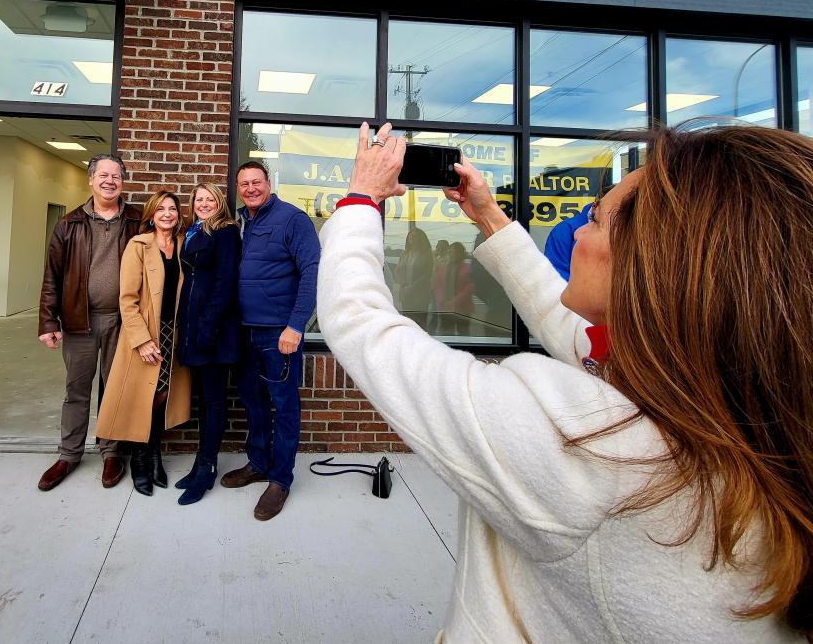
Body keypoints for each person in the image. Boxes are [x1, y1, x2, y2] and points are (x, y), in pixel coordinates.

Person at [316, 121, 811, 641]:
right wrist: (487, 215)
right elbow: (569, 327)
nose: (576, 230)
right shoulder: (737, 415)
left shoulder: (586, 445)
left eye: (595, 219)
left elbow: (363, 325)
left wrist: (361, 198)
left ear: (659, 266)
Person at [219, 160, 320, 521]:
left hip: (278, 334)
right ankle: (259, 463)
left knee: (284, 405)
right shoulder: (241, 222)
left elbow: (312, 272)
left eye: (256, 182)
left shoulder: (292, 219)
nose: (250, 188)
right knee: (253, 403)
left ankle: (280, 479)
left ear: (269, 183)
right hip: (244, 332)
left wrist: (296, 326)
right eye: (243, 183)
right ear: (237, 187)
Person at [36, 154, 141, 492]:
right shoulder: (69, 224)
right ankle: (69, 453)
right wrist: (47, 321)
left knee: (114, 389)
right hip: (80, 321)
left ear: (123, 182)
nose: (110, 181)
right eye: (103, 175)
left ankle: (111, 451)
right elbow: (52, 276)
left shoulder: (137, 220)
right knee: (76, 390)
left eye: (116, 176)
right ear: (91, 180)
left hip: (122, 322)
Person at [95, 190, 191, 497]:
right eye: (160, 209)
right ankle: (140, 459)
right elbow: (127, 299)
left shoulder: (182, 245)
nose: (167, 213)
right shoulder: (138, 246)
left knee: (162, 394)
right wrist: (142, 340)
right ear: (151, 214)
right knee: (143, 398)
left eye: (172, 209)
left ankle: (154, 454)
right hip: (146, 334)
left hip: (172, 333)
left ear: (178, 214)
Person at [173, 183, 241, 505]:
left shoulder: (226, 232)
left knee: (214, 401)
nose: (203, 203)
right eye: (198, 199)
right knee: (203, 400)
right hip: (193, 328)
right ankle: (202, 462)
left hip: (211, 331)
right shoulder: (193, 231)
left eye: (209, 199)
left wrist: (208, 329)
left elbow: (226, 283)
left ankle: (207, 467)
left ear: (219, 204)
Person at [393, 226, 433, 330]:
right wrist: (402, 285)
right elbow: (398, 271)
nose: (412, 239)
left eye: (415, 237)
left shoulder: (427, 254)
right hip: (405, 293)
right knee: (407, 323)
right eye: (410, 237)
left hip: (419, 294)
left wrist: (412, 287)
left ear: (421, 239)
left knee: (420, 324)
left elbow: (427, 274)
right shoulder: (404, 254)